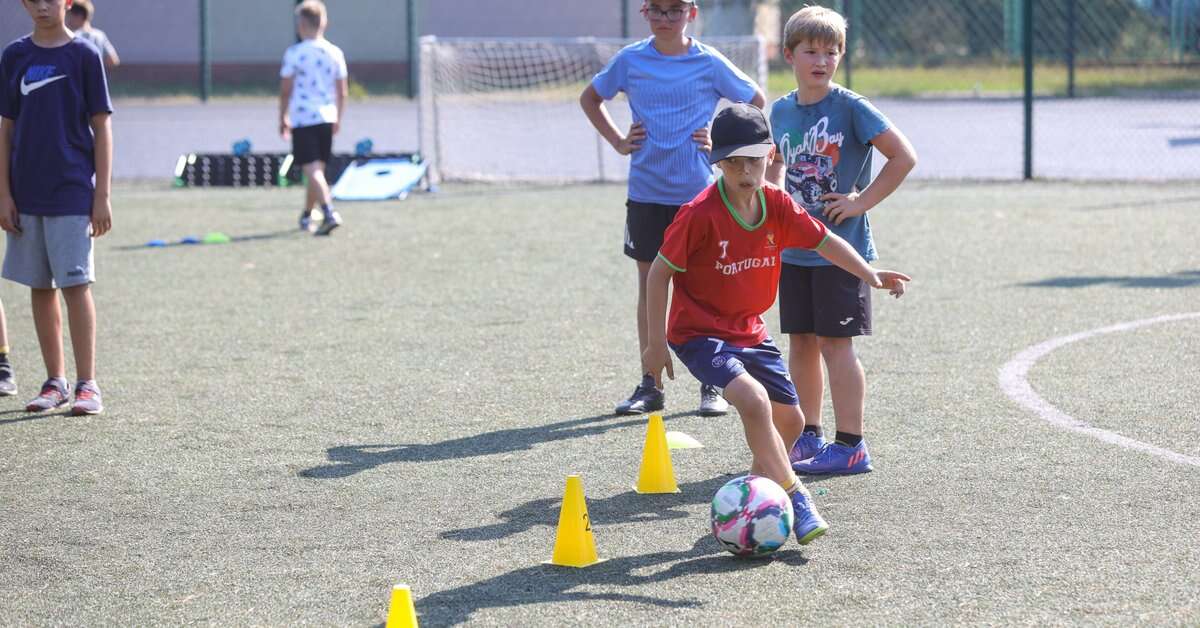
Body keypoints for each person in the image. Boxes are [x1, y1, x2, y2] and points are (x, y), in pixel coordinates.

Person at [642, 103, 909, 544]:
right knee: (752, 399)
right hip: (700, 334)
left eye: (753, 158)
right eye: (732, 162)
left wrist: (871, 275)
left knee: (792, 421)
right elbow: (658, 273)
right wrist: (654, 345)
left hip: (750, 330)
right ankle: (796, 496)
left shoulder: (777, 204)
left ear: (770, 154)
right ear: (719, 163)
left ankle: (751, 497)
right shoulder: (698, 214)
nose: (744, 170)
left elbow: (826, 242)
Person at [580, 0, 765, 417]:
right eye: (657, 10)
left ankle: (713, 382)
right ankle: (651, 383)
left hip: (697, 197)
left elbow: (755, 100)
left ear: (691, 13)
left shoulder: (708, 61)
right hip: (646, 193)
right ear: (645, 12)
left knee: (704, 288)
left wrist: (722, 143)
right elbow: (590, 98)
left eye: (674, 10)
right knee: (649, 284)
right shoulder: (630, 60)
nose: (666, 18)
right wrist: (617, 141)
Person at [766, 6, 917, 475]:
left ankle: (851, 444)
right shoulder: (782, 110)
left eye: (831, 52)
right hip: (794, 250)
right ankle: (806, 435)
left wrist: (859, 202)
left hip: (840, 252)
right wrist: (770, 205)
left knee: (837, 344)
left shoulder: (851, 107)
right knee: (802, 343)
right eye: (811, 51)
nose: (822, 60)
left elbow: (903, 157)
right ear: (789, 54)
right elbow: (775, 166)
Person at [0, 0, 114, 415]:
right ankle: (55, 381)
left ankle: (87, 384)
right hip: (25, 193)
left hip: (71, 193)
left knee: (75, 286)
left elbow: (102, 126)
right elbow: (6, 128)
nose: (42, 6)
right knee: (39, 287)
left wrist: (101, 194)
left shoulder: (85, 54)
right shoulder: (14, 55)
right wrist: (4, 193)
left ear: (68, 2)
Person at [279, 0, 347, 236]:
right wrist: (338, 117)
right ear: (324, 23)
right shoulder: (334, 52)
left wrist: (282, 116)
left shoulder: (295, 53)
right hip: (327, 117)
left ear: (301, 25)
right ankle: (307, 214)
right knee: (315, 169)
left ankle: (329, 212)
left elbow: (286, 89)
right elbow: (342, 91)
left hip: (303, 119)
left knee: (313, 171)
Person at [65, 0, 119, 69]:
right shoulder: (100, 35)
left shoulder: (74, 35)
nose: (67, 20)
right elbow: (113, 61)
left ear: (79, 16)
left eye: (69, 16)